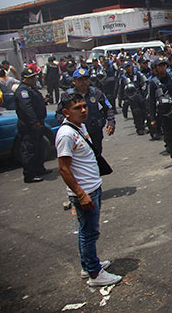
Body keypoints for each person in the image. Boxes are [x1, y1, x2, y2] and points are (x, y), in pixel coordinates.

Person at [56, 92, 122, 287]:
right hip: (85, 192)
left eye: (84, 106)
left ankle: (88, 265)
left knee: (86, 231)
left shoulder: (79, 126)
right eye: (78, 108)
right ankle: (95, 273)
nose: (83, 110)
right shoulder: (66, 134)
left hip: (92, 186)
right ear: (66, 112)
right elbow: (63, 168)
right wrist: (81, 194)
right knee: (89, 233)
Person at [56, 68, 115, 154]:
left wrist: (111, 122)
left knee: (96, 155)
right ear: (74, 81)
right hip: (77, 134)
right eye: (80, 80)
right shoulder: (68, 96)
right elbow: (59, 114)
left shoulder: (96, 93)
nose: (83, 82)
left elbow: (108, 108)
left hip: (95, 131)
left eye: (86, 79)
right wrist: (69, 125)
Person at [15, 67, 52, 183]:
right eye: (30, 78)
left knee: (39, 147)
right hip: (29, 125)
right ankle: (29, 174)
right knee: (29, 149)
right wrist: (34, 122)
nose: (33, 80)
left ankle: (39, 168)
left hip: (38, 123)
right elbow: (27, 108)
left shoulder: (31, 88)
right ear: (23, 79)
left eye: (34, 77)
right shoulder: (23, 91)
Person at [117, 61, 147, 135]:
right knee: (136, 113)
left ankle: (143, 125)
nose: (128, 68)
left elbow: (144, 82)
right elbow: (121, 88)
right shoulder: (124, 77)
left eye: (129, 66)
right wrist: (120, 99)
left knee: (144, 112)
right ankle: (139, 128)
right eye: (126, 67)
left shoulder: (138, 74)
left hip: (140, 96)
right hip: (131, 98)